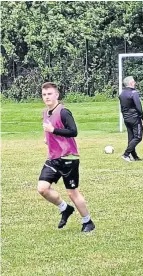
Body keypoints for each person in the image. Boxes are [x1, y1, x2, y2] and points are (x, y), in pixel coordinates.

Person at [37, 82, 95, 232]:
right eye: (44, 94)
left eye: (49, 94)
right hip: (53, 158)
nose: (47, 97)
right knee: (42, 188)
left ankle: (87, 222)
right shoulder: (45, 113)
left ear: (57, 95)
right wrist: (47, 137)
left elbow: (73, 131)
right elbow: (49, 131)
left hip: (69, 157)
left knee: (72, 192)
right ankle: (65, 208)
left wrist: (53, 130)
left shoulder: (64, 112)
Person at [119, 76, 143, 162]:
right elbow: (138, 106)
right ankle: (126, 154)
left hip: (126, 118)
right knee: (138, 137)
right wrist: (142, 117)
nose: (135, 83)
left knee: (131, 138)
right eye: (134, 82)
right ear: (130, 83)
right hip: (135, 118)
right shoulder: (133, 93)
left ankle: (135, 156)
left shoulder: (122, 93)